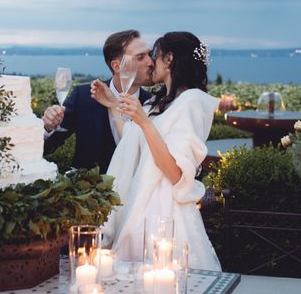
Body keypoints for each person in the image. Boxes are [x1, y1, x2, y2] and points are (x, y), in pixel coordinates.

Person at [91, 32, 221, 271]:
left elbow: (176, 173)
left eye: (155, 55)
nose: (151, 62)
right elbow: (132, 139)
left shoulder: (193, 101)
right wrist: (112, 104)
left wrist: (144, 122)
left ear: (169, 59)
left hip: (165, 214)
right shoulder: (157, 102)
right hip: (138, 204)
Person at [42, 30, 154, 173]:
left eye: (149, 55)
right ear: (117, 66)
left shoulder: (152, 103)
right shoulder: (83, 96)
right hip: (87, 191)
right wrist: (48, 127)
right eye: (140, 57)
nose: (150, 62)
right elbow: (46, 147)